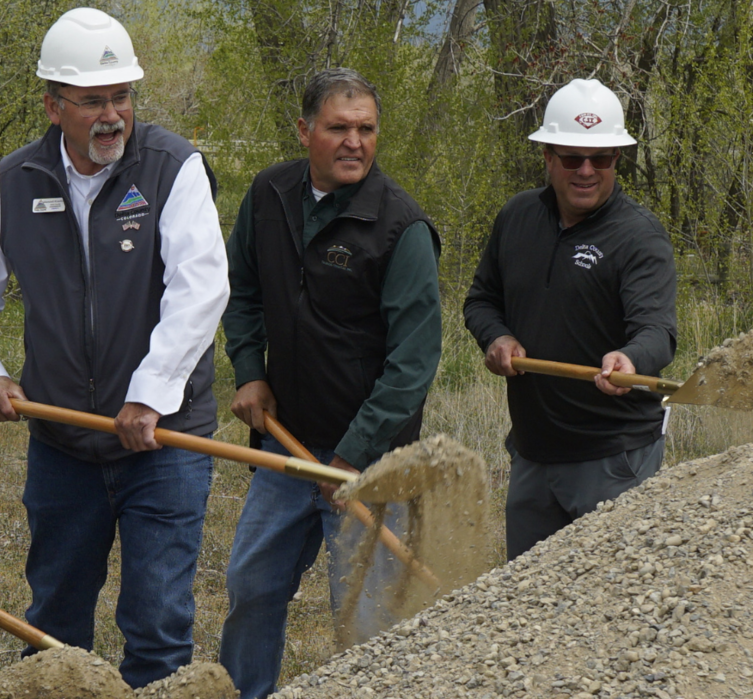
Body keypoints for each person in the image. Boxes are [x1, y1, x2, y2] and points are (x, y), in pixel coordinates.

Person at [0, 7, 227, 688]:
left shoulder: (172, 169)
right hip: (63, 442)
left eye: (121, 96)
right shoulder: (14, 180)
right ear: (53, 104)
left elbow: (200, 290)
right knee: (54, 625)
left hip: (165, 443)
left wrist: (149, 394)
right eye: (92, 99)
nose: (111, 115)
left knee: (157, 623)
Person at [216, 68, 440, 699]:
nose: (354, 143)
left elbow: (414, 363)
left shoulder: (401, 229)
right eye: (339, 128)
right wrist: (251, 374)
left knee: (365, 623)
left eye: (366, 129)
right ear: (304, 130)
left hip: (373, 465)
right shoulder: (269, 194)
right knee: (250, 589)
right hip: (287, 450)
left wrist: (352, 457)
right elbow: (244, 292)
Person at [463, 78, 678, 561]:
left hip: (613, 458)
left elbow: (658, 332)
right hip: (534, 454)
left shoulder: (639, 238)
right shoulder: (516, 218)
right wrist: (495, 337)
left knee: (609, 609)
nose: (586, 171)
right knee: (527, 607)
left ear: (617, 160)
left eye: (600, 159)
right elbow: (480, 300)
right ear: (547, 156)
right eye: (571, 157)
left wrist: (630, 358)